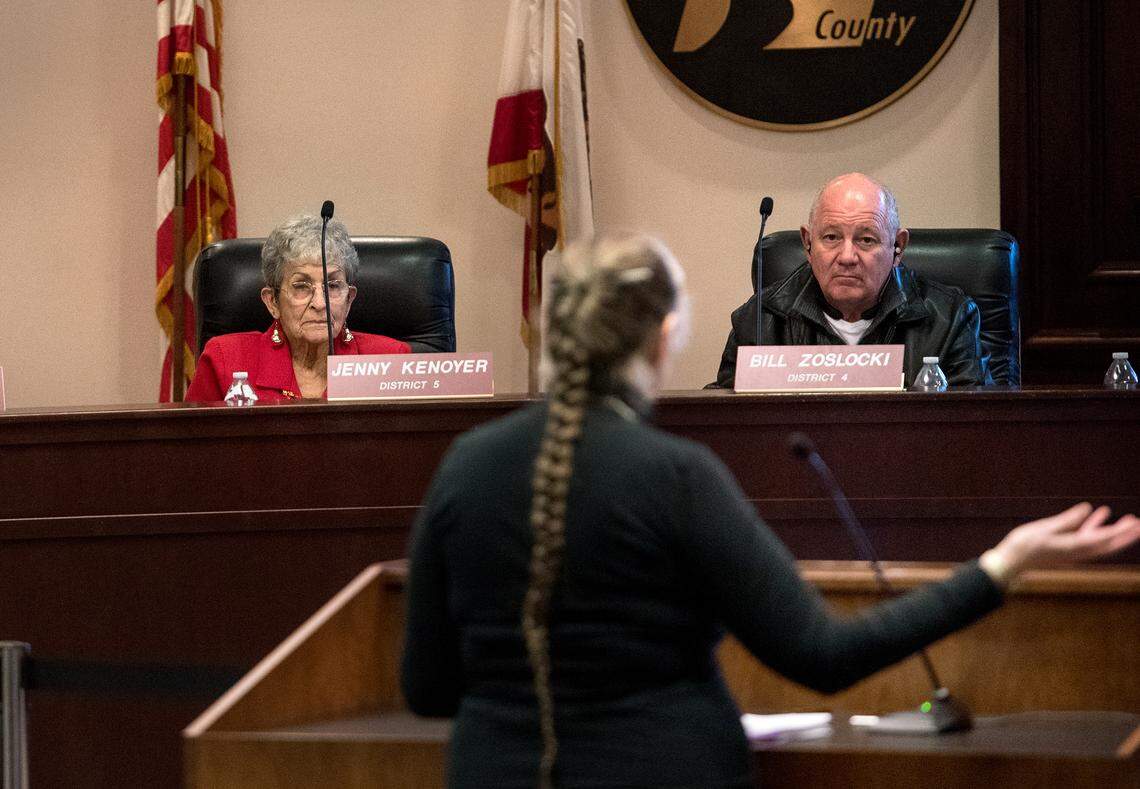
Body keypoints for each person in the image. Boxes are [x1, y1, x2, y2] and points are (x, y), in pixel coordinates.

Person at [401, 235, 1138, 789]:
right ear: (663, 338)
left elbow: (428, 688)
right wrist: (1000, 566)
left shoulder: (465, 465)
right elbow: (823, 656)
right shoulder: (676, 477)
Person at [712, 173, 993, 389]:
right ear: (808, 244)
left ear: (898, 247)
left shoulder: (950, 319)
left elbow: (974, 429)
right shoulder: (760, 320)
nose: (847, 257)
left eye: (866, 239)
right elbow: (728, 423)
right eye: (831, 237)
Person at [186, 215, 410, 402]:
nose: (320, 304)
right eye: (301, 286)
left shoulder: (391, 359)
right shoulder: (225, 360)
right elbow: (192, 449)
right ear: (272, 301)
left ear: (349, 299)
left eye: (332, 286)